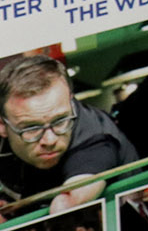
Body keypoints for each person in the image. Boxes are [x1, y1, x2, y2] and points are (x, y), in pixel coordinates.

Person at [0, 56, 138, 215]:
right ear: (2, 125)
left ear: (70, 102)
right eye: (32, 128)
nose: (50, 140)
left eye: (60, 120)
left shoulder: (95, 140)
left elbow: (65, 205)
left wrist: (65, 203)